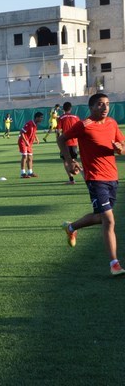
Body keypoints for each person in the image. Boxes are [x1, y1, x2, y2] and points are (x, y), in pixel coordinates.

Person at [58, 93, 125, 276]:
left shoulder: (112, 123)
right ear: (91, 107)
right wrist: (71, 161)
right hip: (95, 178)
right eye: (100, 105)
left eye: (107, 104)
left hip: (113, 177)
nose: (104, 108)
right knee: (109, 220)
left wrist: (120, 149)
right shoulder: (83, 125)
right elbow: (61, 139)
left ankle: (70, 227)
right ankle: (114, 264)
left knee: (102, 217)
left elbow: (122, 145)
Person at [57, 101, 81, 185]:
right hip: (74, 142)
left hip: (65, 143)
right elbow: (80, 130)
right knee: (73, 160)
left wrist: (58, 141)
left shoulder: (61, 118)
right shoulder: (76, 117)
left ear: (63, 109)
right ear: (71, 108)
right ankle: (82, 171)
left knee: (66, 161)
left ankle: (71, 179)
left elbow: (58, 131)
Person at [18, 112, 44, 178]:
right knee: (25, 156)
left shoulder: (35, 124)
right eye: (41, 117)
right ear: (36, 118)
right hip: (23, 141)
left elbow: (34, 133)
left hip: (29, 143)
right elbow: (22, 132)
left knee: (30, 157)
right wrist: (25, 141)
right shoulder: (29, 123)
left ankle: (30, 172)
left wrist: (36, 139)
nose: (42, 119)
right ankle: (22, 173)